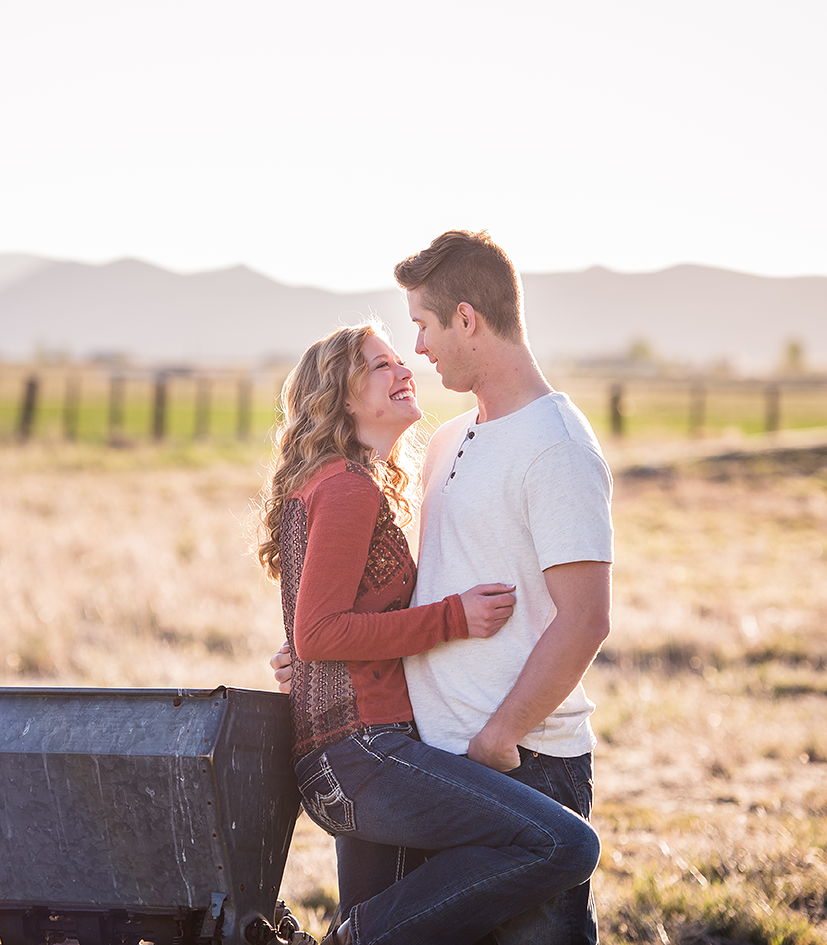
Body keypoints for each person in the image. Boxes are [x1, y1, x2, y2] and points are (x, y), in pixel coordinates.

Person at [272, 231, 614, 945]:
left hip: (520, 760)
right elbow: (376, 603)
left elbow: (585, 619)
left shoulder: (557, 444)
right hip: (419, 757)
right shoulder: (447, 442)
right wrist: (312, 660)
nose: (417, 351)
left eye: (421, 329)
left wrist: (501, 734)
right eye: (395, 351)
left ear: (467, 319)